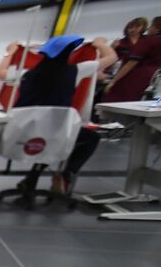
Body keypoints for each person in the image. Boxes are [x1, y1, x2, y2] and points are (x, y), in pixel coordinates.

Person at [11, 35, 118, 194]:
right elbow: (112, 57)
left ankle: (31, 179)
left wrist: (11, 52)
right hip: (56, 133)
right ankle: (67, 175)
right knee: (87, 138)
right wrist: (100, 43)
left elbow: (4, 74)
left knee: (52, 141)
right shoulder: (76, 71)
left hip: (24, 133)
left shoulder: (27, 75)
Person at [101, 14, 161, 104]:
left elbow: (131, 63)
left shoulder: (148, 41)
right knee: (132, 102)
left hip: (133, 75)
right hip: (150, 76)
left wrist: (114, 81)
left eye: (152, 26)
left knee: (115, 101)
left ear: (158, 29)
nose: (149, 28)